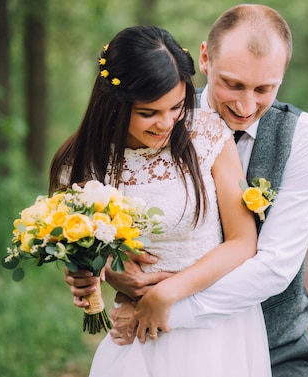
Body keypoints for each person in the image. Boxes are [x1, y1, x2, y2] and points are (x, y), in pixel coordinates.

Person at [68, 4, 308, 377]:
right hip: (152, 339)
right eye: (233, 84)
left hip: (274, 345)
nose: (245, 105)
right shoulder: (159, 115)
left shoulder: (305, 138)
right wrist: (105, 269)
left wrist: (163, 305)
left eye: (264, 89)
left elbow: (274, 267)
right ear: (205, 58)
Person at [51, 25, 271, 376]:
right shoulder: (81, 162)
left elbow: (243, 242)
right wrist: (103, 271)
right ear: (115, 104)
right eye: (149, 112)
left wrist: (165, 293)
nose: (167, 122)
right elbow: (85, 250)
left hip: (213, 328)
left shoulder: (207, 134)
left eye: (176, 107)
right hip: (135, 332)